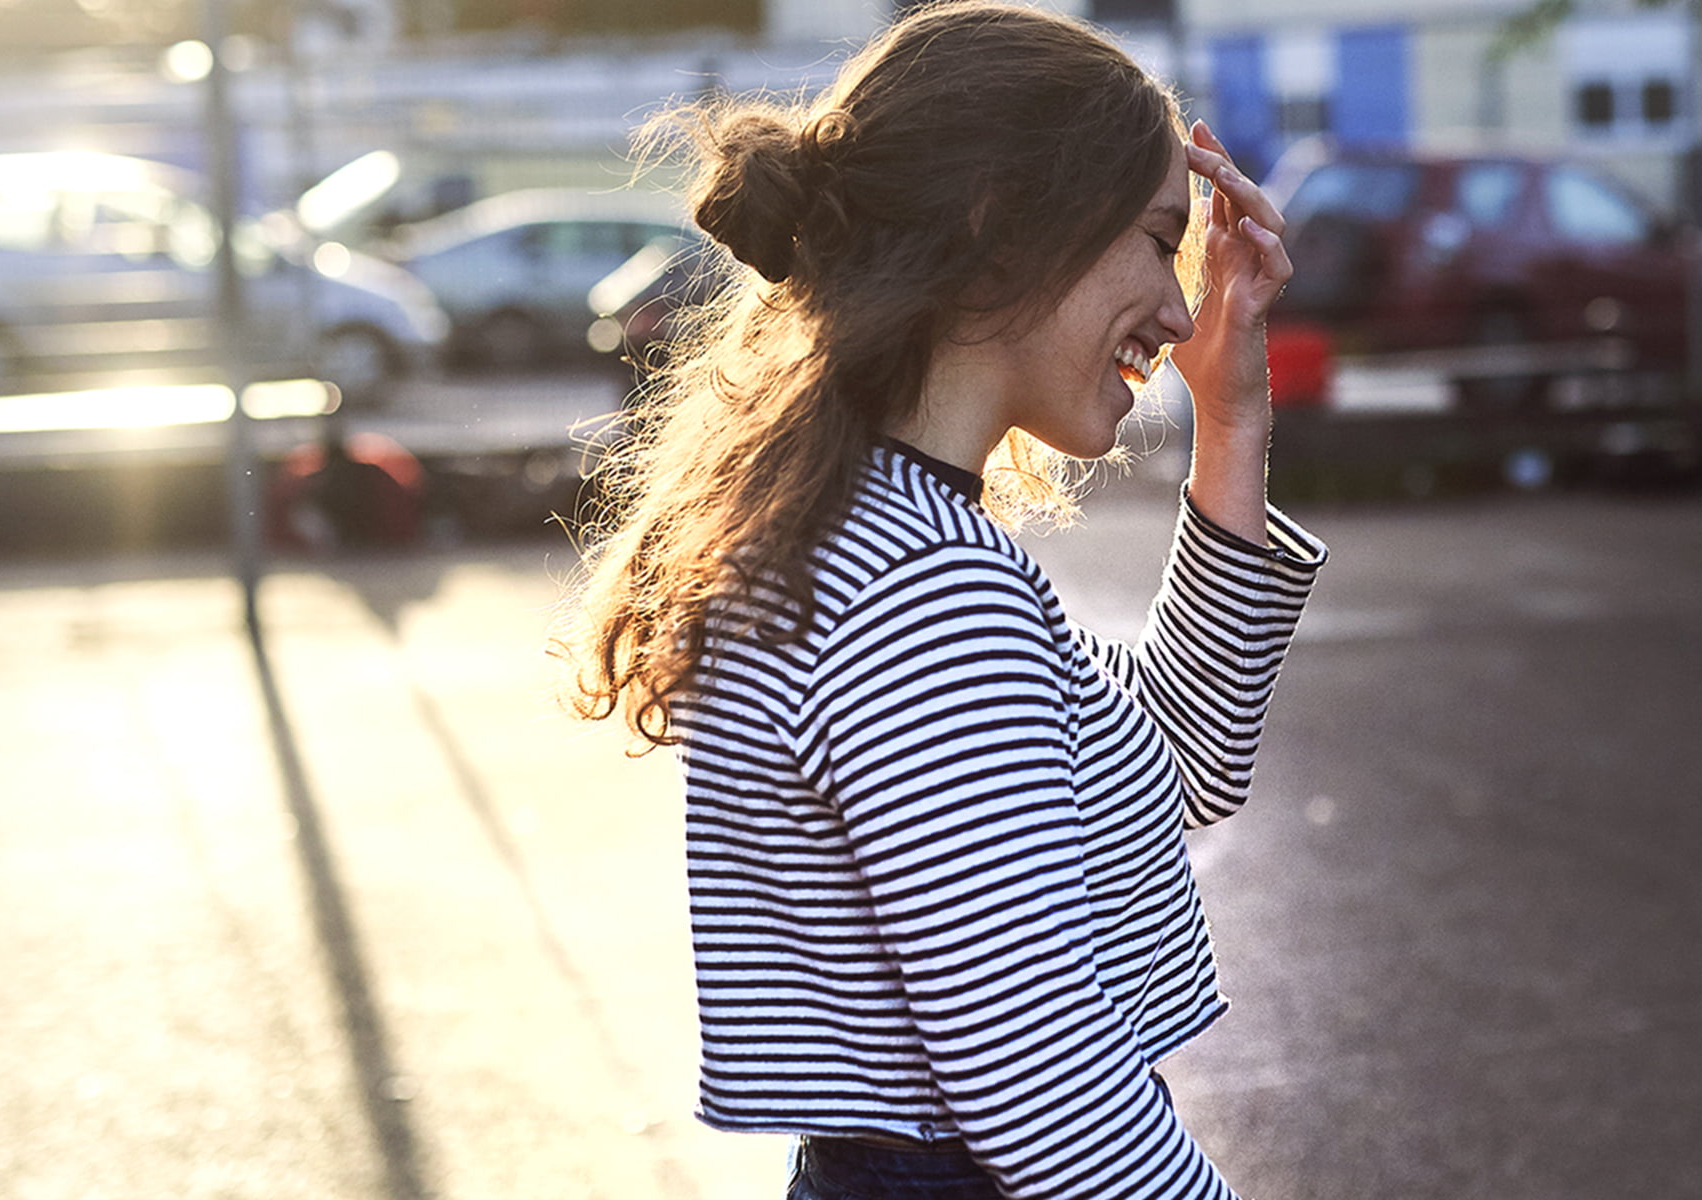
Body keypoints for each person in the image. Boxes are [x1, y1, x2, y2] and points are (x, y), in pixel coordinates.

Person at [555, 5, 1326, 1197]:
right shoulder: (922, 589)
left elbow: (1182, 765)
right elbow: (1048, 1097)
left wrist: (1229, 418)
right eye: (1155, 243)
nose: (1180, 317)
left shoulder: (868, 530)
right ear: (1001, 226)